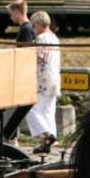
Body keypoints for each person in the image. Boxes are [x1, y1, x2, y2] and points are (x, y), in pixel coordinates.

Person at [27, 10, 61, 154]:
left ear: (39, 24)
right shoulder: (54, 37)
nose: (33, 29)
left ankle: (46, 134)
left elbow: (38, 58)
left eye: (33, 26)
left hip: (42, 80)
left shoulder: (41, 39)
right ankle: (47, 142)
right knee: (48, 111)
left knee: (30, 109)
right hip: (54, 79)